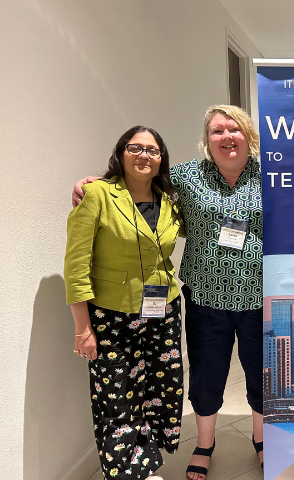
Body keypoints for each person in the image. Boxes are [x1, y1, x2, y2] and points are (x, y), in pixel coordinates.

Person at [73, 105, 263, 480]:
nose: (227, 137)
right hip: (206, 297)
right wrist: (91, 182)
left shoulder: (272, 174)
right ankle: (204, 444)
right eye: (217, 131)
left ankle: (261, 440)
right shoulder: (185, 177)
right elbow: (137, 180)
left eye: (234, 129)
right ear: (207, 141)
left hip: (262, 295)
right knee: (207, 374)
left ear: (249, 136)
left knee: (262, 373)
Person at [64, 126, 184, 480]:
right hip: (111, 316)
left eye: (153, 150)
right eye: (136, 147)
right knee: (117, 395)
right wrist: (82, 328)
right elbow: (75, 266)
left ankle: (148, 461)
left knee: (161, 387)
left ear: (161, 159)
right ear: (122, 152)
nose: (144, 155)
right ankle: (129, 471)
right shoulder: (97, 195)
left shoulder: (171, 200)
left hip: (162, 310)